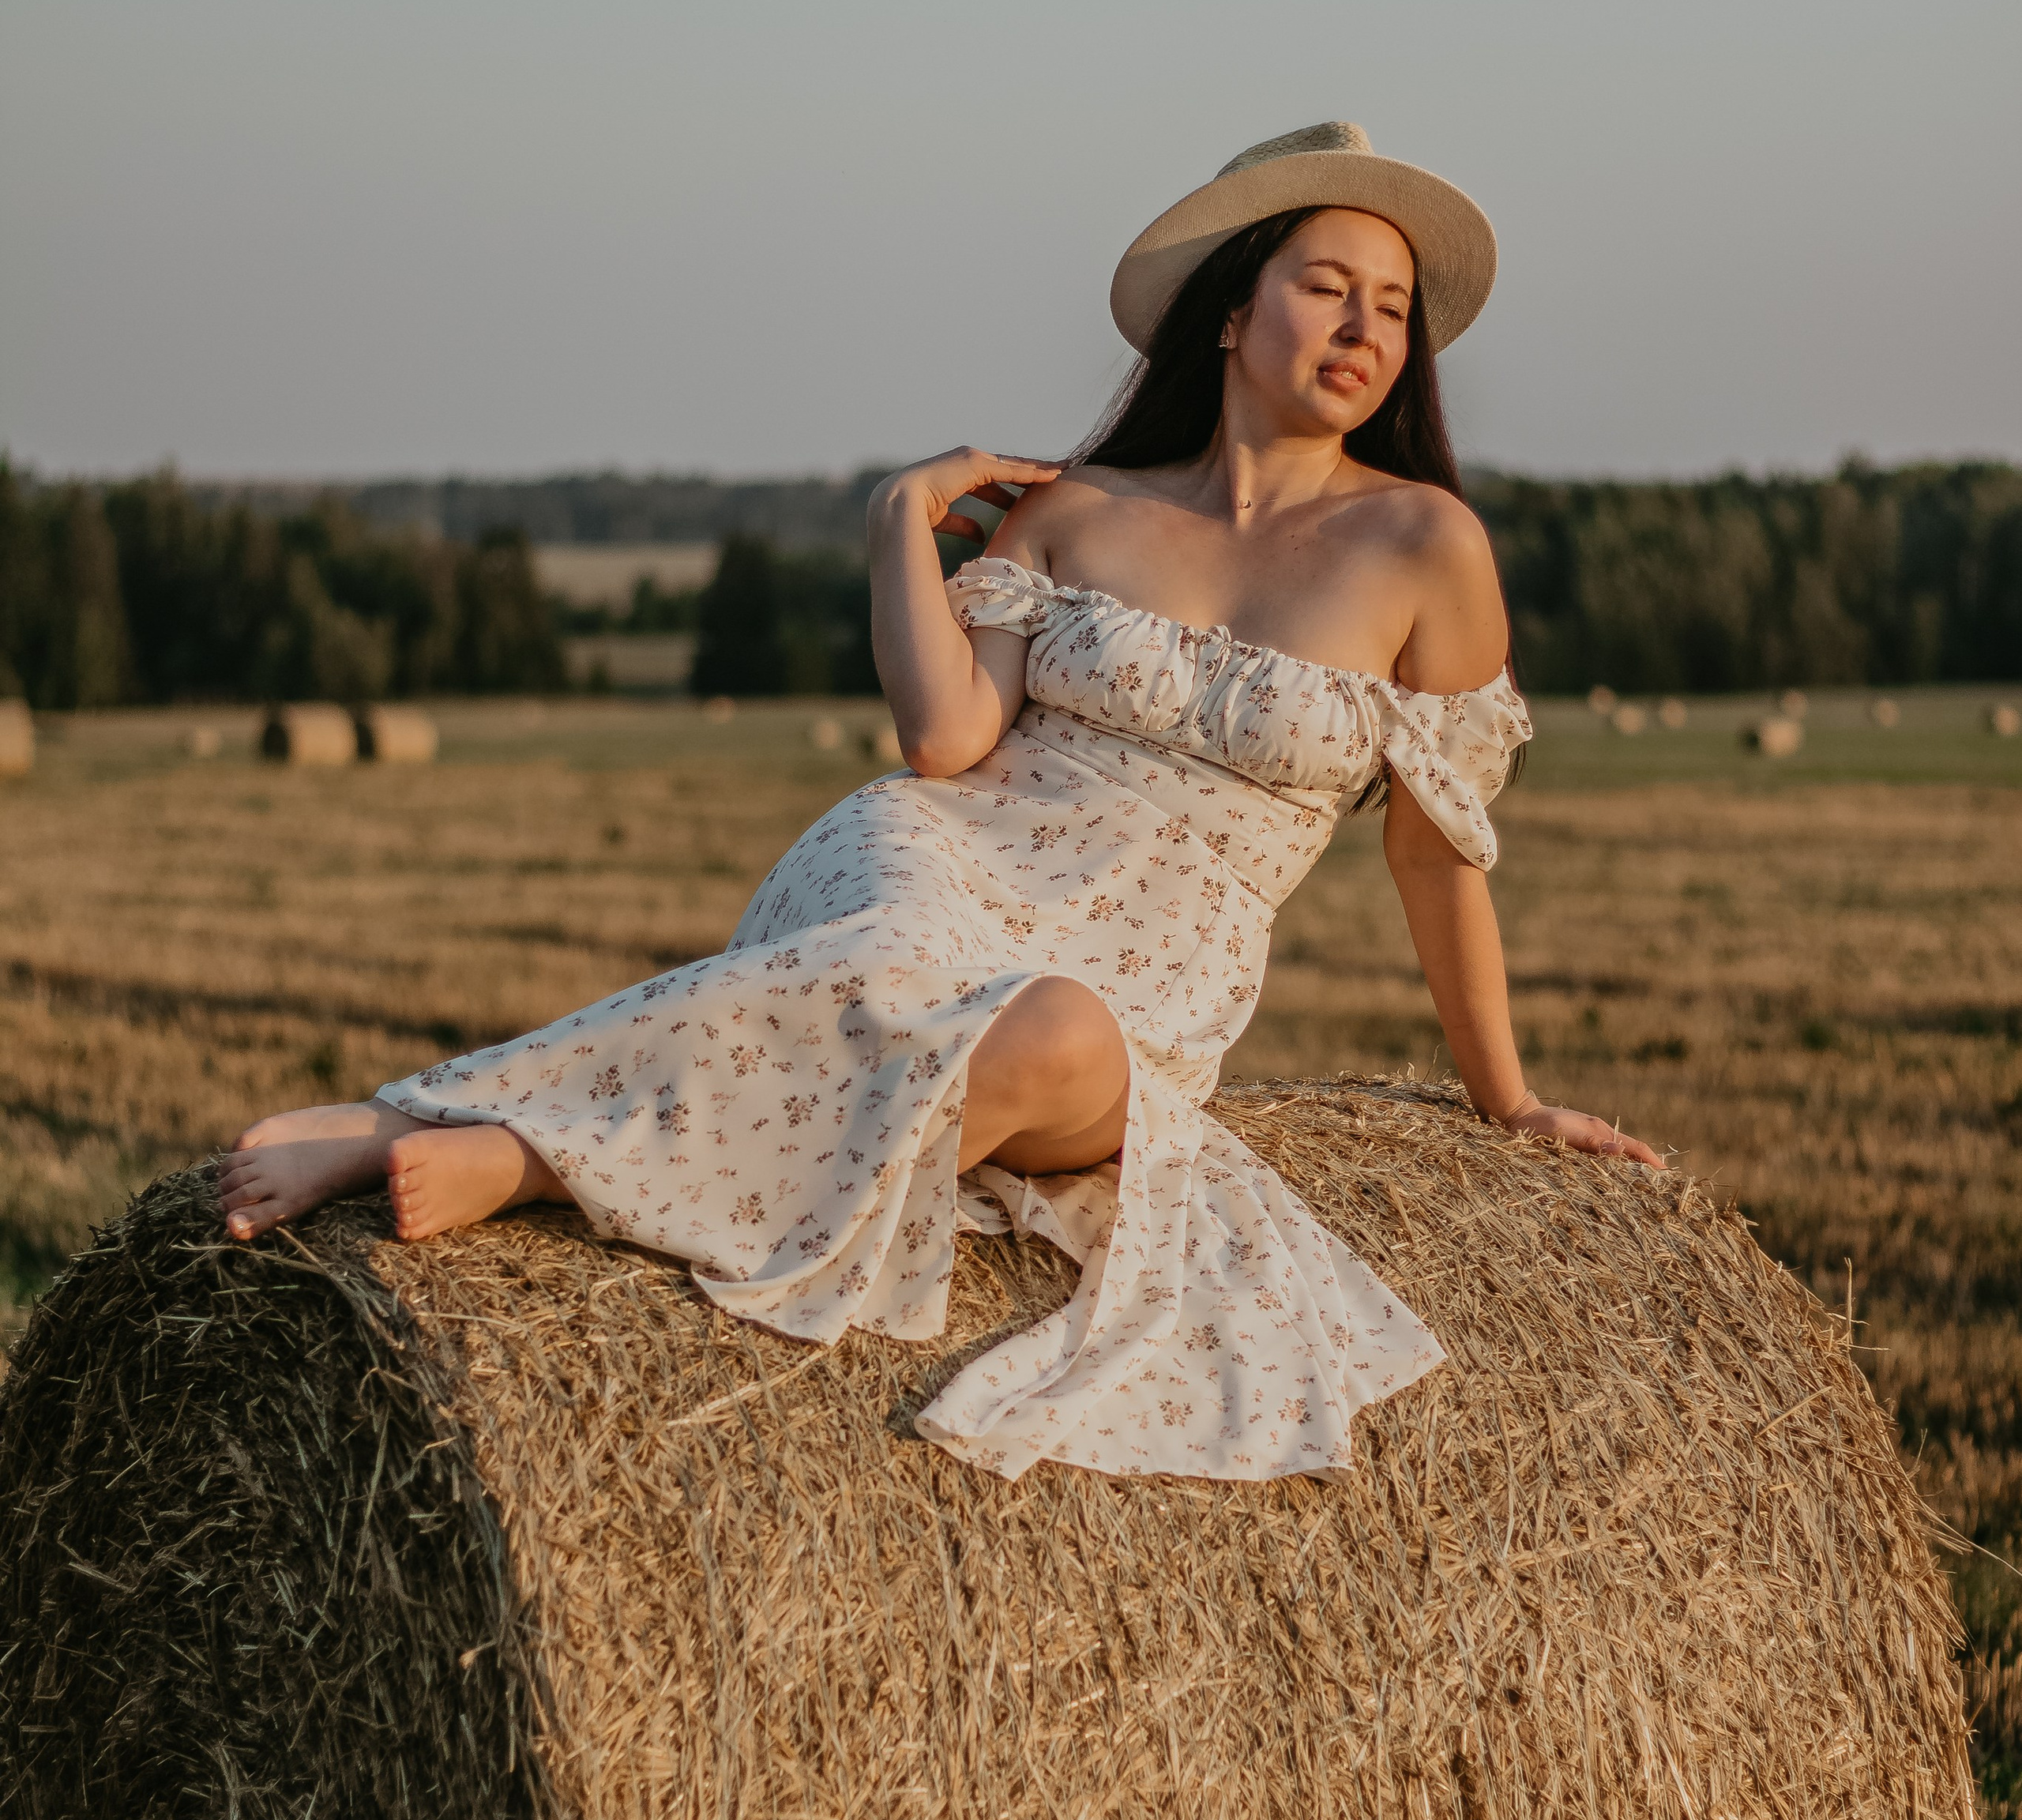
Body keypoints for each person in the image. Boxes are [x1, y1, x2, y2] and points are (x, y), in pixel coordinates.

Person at [216, 120, 1660, 1482]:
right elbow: (946, 738)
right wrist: (894, 520)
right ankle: (486, 1140)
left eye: (1392, 308)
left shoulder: (1424, 543)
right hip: (954, 853)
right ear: (1232, 309)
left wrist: (1508, 1100)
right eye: (1325, 287)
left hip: (1144, 977)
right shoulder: (1080, 511)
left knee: (1053, 1039)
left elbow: (1437, 857)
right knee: (891, 960)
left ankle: (505, 1146)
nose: (1362, 330)